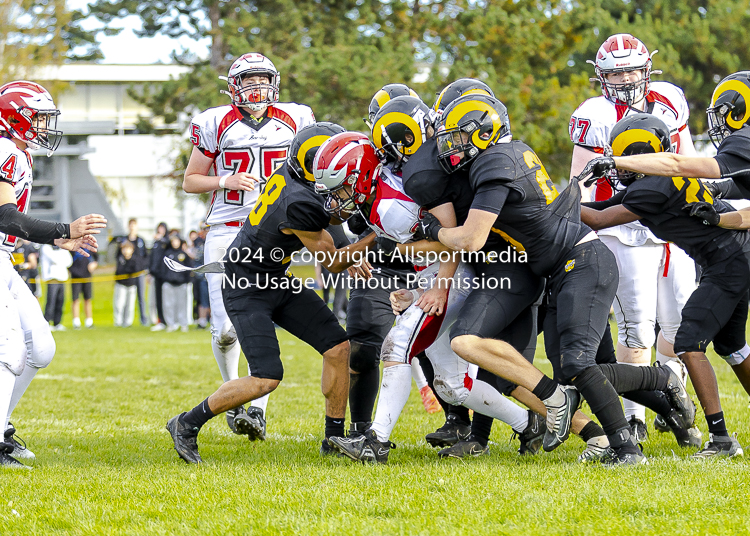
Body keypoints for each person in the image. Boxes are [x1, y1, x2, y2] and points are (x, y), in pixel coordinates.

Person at [420, 93, 694, 465]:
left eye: (460, 136)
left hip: (580, 261)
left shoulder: (495, 162)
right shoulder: (507, 154)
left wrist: (436, 230)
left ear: (484, 133)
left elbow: (471, 239)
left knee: (578, 365)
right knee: (574, 369)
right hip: (561, 268)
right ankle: (663, 385)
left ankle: (626, 449)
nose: (453, 146)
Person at [316, 110, 544, 464]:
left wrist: (436, 285)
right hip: (434, 277)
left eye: (340, 188)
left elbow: (446, 239)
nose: (336, 199)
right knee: (450, 385)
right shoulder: (379, 198)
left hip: (452, 277)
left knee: (396, 345)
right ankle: (527, 423)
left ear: (360, 177)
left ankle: (374, 442)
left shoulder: (392, 202)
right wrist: (417, 286)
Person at [166, 122, 374, 464]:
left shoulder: (294, 176)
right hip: (247, 286)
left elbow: (327, 218)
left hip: (274, 276)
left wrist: (348, 242)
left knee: (338, 348)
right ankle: (186, 424)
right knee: (266, 377)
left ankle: (334, 436)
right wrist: (376, 236)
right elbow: (334, 262)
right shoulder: (300, 201)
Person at [579, 113, 748, 458]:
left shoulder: (650, 188)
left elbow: (597, 218)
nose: (621, 169)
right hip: (736, 253)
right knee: (732, 347)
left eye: (627, 160)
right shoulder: (656, 185)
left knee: (687, 343)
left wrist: (556, 204)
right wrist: (568, 203)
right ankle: (721, 438)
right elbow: (601, 207)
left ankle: (721, 440)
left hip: (727, 261)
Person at [568, 34, 698, 441]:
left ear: (647, 69)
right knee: (637, 327)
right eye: (615, 72)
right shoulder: (593, 113)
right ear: (601, 76)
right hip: (623, 228)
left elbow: (688, 157)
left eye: (630, 70)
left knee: (682, 326)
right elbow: (580, 182)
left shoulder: (669, 99)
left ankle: (671, 394)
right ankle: (636, 416)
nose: (625, 79)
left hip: (672, 224)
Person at [182, 52, 315, 436]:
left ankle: (255, 408)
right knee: (225, 330)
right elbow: (191, 180)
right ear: (233, 87)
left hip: (273, 231)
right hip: (226, 228)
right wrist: (225, 181)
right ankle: (233, 391)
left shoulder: (297, 117)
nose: (257, 88)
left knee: (260, 318)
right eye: (249, 81)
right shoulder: (214, 122)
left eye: (263, 80)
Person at [0, 80, 104, 468]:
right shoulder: (5, 148)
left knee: (40, 349)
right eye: (37, 118)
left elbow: (9, 226)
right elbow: (4, 215)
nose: (44, 126)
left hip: (4, 259)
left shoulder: (18, 153)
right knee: (9, 351)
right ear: (14, 118)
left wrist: (52, 242)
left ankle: (1, 424)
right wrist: (64, 230)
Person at [578, 71, 750, 199]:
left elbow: (677, 165)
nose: (625, 78)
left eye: (727, 113)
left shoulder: (744, 143)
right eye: (616, 74)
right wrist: (716, 193)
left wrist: (616, 161)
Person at [161, 234, 193, 332]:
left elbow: (189, 268)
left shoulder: (184, 254)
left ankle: (183, 324)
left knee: (182, 305)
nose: (175, 243)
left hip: (182, 283)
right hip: (169, 283)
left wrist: (187, 280)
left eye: (177, 241)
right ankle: (171, 324)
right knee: (168, 305)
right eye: (173, 241)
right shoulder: (167, 254)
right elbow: (162, 268)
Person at [40, 243, 72, 331]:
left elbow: (69, 261)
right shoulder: (46, 247)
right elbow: (53, 258)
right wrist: (61, 258)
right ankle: (47, 322)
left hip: (62, 278)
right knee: (51, 301)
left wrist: (59, 259)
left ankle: (57, 323)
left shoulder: (62, 248)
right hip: (52, 278)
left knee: (60, 301)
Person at [70, 249, 98, 329]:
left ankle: (89, 322)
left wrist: (94, 264)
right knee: (75, 299)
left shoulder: (90, 245)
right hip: (75, 276)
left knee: (87, 299)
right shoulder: (73, 244)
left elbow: (96, 258)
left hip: (87, 275)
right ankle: (76, 322)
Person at [114, 241, 139, 327]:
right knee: (119, 304)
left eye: (128, 249)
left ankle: (128, 322)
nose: (126, 251)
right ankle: (118, 321)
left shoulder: (134, 260)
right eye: (124, 249)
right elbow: (119, 271)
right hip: (121, 284)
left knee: (130, 305)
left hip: (131, 285)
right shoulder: (120, 259)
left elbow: (134, 270)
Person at [149, 222, 169, 331]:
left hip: (165, 275)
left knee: (167, 300)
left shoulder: (166, 242)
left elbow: (170, 243)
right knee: (158, 299)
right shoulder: (155, 243)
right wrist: (150, 272)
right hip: (156, 275)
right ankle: (160, 320)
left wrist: (161, 239)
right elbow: (152, 258)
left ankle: (169, 320)